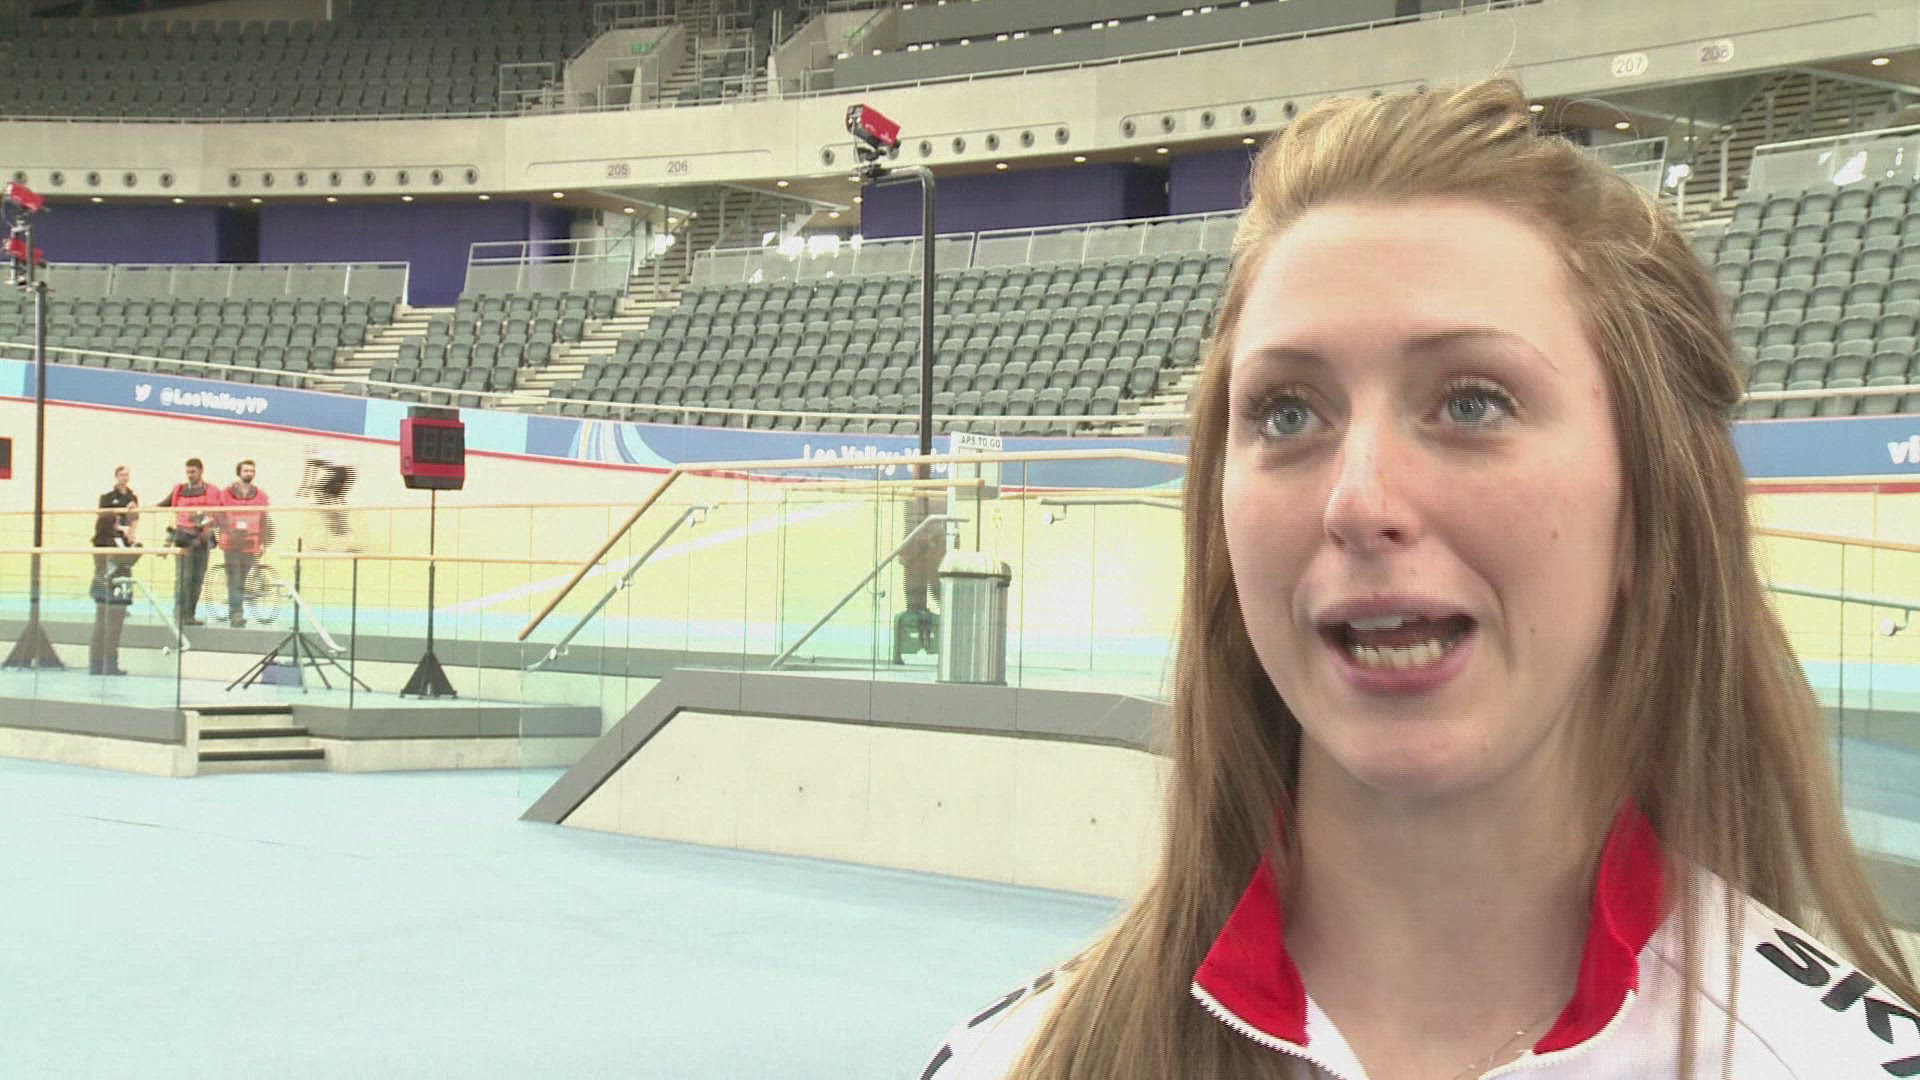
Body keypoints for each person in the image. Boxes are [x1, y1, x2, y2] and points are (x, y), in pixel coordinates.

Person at [924, 78, 1920, 1079]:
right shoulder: (1006, 1062)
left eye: (1473, 403)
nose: (1359, 501)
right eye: (1287, 413)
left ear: (1648, 506)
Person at [157, 457, 222, 627]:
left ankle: (190, 615)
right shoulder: (179, 490)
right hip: (184, 538)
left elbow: (220, 512)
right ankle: (180, 615)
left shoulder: (212, 490)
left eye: (193, 472)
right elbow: (162, 505)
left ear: (201, 471)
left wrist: (208, 525)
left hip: (203, 540)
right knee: (183, 578)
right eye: (188, 472)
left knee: (197, 579)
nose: (190, 475)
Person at [218, 459, 270, 628]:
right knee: (234, 579)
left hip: (250, 544)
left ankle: (236, 612)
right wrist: (227, 531)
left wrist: (262, 542)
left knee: (242, 580)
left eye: (251, 471)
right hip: (231, 543)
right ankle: (236, 614)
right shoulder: (226, 493)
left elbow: (263, 520)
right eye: (246, 470)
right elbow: (219, 516)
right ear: (239, 472)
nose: (249, 473)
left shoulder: (261, 496)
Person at [88, 509, 141, 675]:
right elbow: (122, 560)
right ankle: (105, 663)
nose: (119, 525)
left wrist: (131, 537)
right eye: (116, 521)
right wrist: (135, 549)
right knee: (109, 628)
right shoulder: (104, 542)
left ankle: (101, 663)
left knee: (108, 627)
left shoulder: (116, 539)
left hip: (112, 583)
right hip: (110, 584)